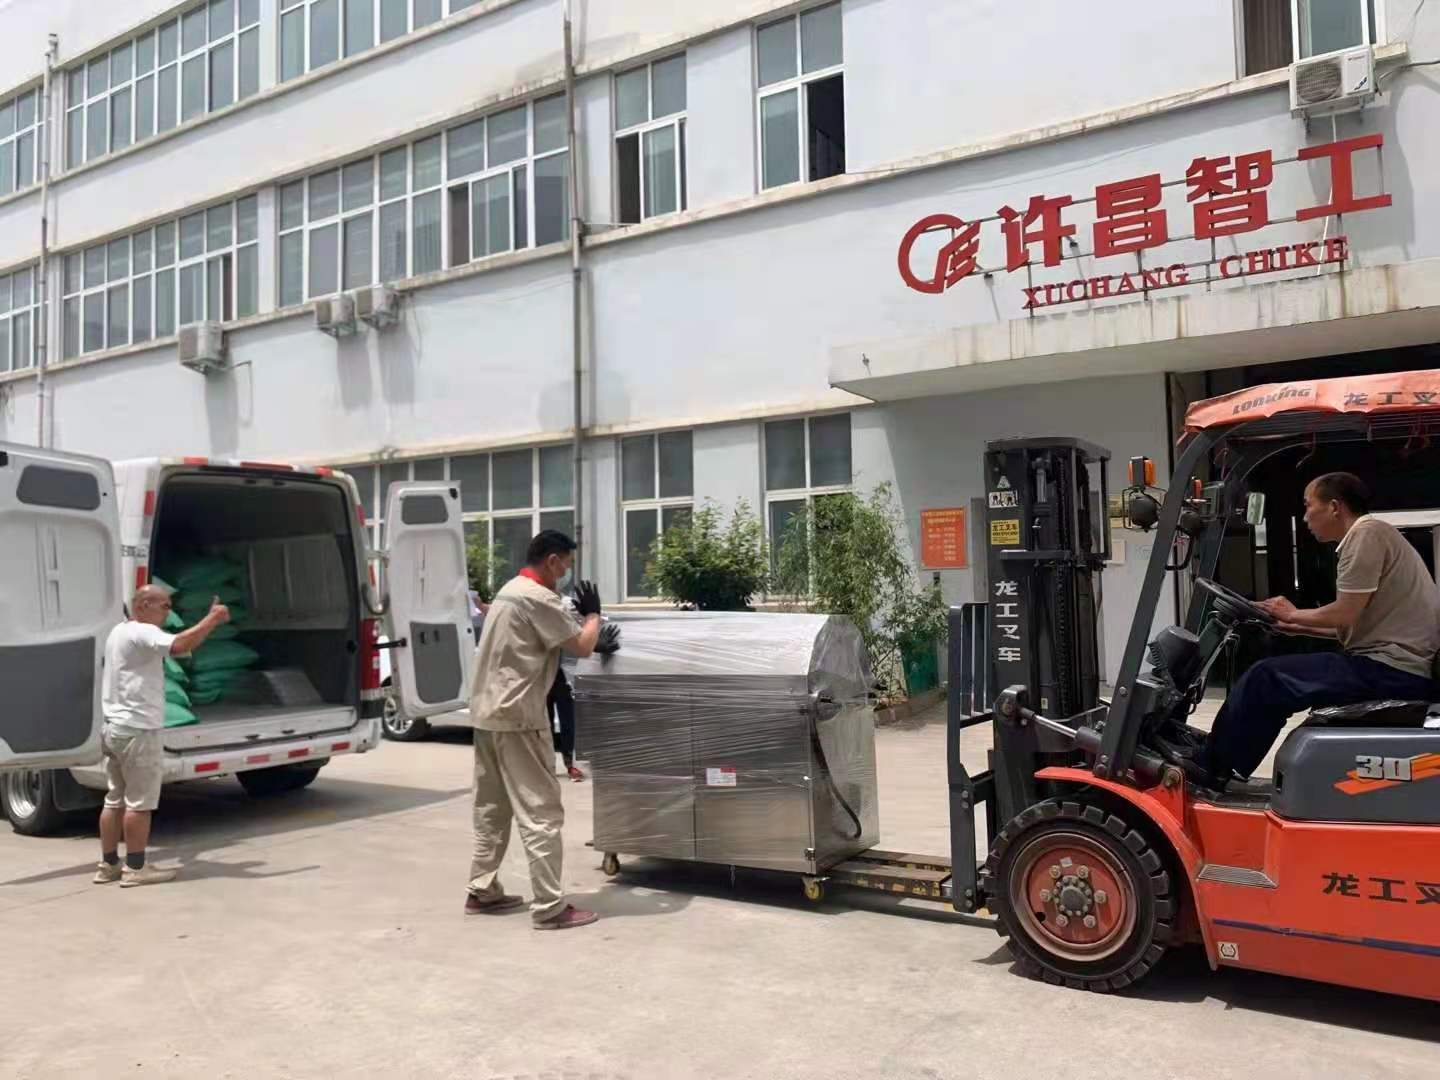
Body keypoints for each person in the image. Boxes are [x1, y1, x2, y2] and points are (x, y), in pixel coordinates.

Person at [1197, 472, 1440, 786]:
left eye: (1308, 505)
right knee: (1270, 676)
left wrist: (1294, 613)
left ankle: (1211, 768)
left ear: (1335, 507)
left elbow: (1345, 613)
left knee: (1266, 678)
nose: (1305, 517)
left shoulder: (1365, 535)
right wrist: (1295, 625)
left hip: (1391, 670)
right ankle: (1219, 759)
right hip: (1391, 665)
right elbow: (1356, 624)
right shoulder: (1374, 534)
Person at [465, 530, 603, 930]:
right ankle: (549, 907)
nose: (566, 574)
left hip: (487, 713)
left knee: (492, 809)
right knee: (540, 811)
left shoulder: (509, 591)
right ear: (552, 561)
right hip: (520, 718)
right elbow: (582, 645)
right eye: (566, 566)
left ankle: (482, 890)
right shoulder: (538, 597)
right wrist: (593, 616)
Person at [94, 584, 231, 887]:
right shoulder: (143, 631)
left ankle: (108, 864)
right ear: (144, 605)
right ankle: (136, 868)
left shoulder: (119, 631)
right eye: (165, 606)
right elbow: (179, 645)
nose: (169, 613)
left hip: (115, 728)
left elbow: (178, 644)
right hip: (138, 731)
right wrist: (213, 618)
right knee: (139, 804)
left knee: (114, 800)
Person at [549, 666, 583, 782]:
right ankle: (547, 765)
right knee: (544, 723)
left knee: (568, 721)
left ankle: (571, 764)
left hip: (564, 674)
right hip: (541, 671)